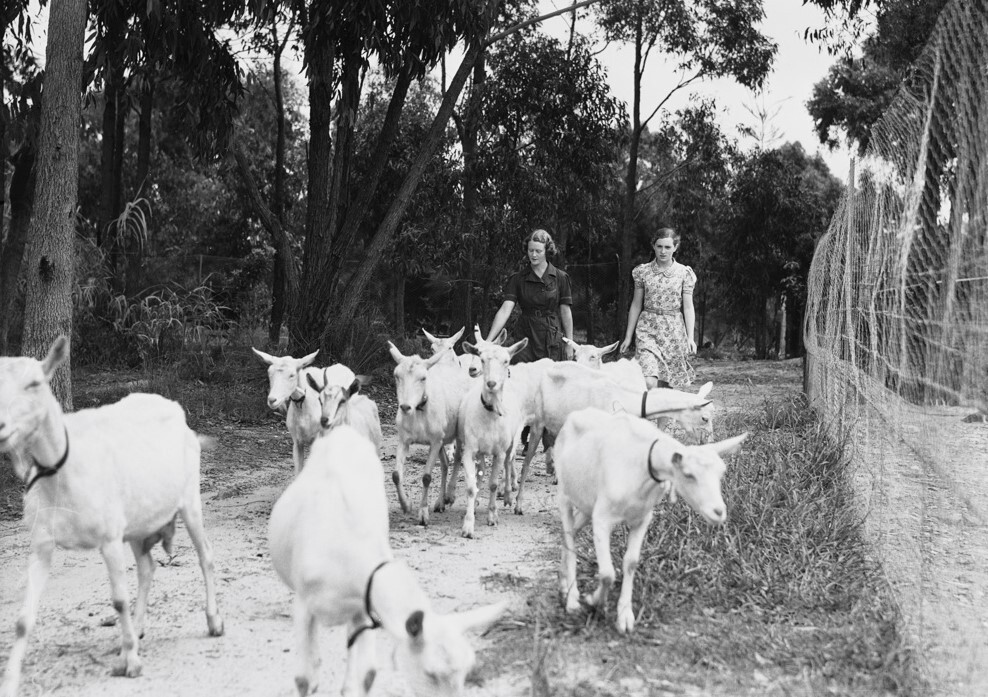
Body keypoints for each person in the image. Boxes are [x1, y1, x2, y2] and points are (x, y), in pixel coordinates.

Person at [619, 227, 697, 389]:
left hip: (673, 331)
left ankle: (660, 413)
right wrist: (628, 336)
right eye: (659, 246)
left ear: (675, 248)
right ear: (653, 246)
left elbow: (688, 308)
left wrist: (690, 337)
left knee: (667, 383)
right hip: (647, 328)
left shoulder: (684, 273)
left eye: (668, 247)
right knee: (649, 381)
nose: (663, 251)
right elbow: (636, 304)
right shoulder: (642, 272)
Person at [486, 229, 575, 362]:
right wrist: (489, 340)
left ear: (547, 251)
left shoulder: (560, 277)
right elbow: (505, 310)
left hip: (551, 336)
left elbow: (565, 312)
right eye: (530, 250)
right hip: (525, 335)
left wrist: (570, 344)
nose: (533, 255)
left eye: (538, 251)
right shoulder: (517, 279)